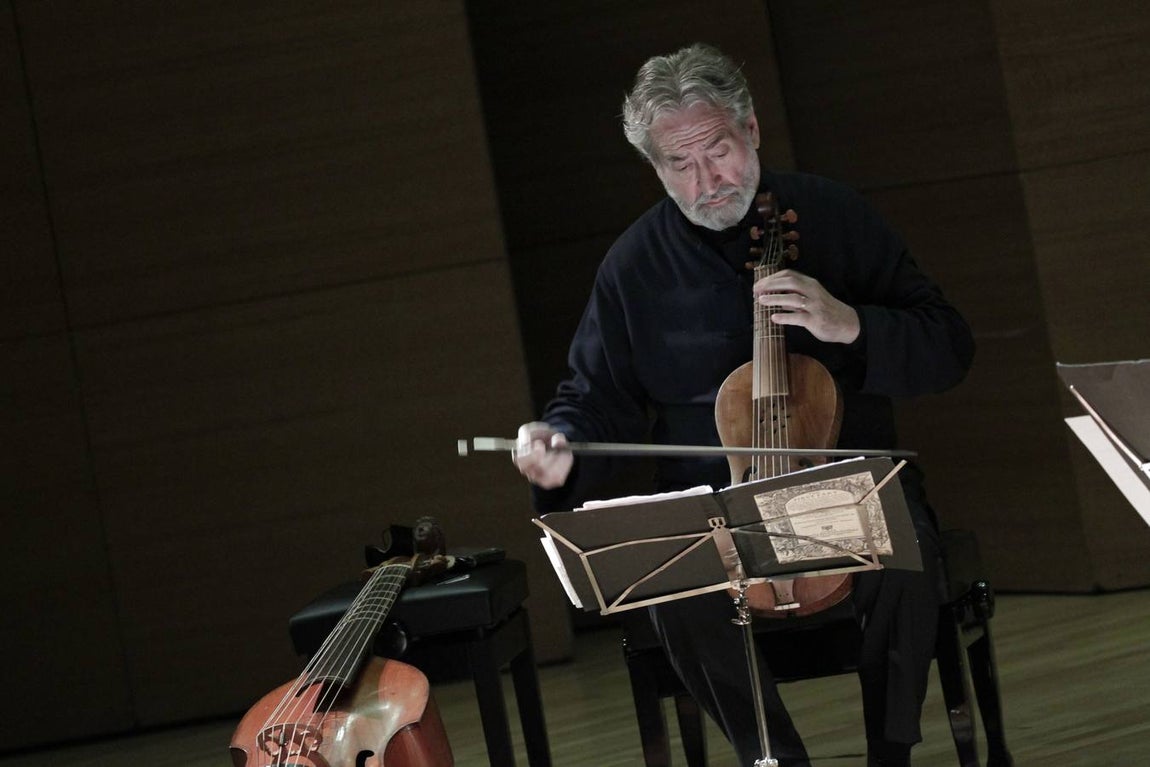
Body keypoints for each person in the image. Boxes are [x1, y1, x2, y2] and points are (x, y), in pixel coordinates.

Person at [512, 43, 974, 767]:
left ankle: (891, 753)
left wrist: (850, 324)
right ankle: (775, 758)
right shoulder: (634, 266)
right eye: (680, 164)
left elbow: (949, 344)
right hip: (715, 509)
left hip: (847, 488)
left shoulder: (835, 216)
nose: (707, 182)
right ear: (656, 168)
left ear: (752, 130)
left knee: (904, 555)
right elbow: (592, 400)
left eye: (719, 151)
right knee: (669, 585)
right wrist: (559, 444)